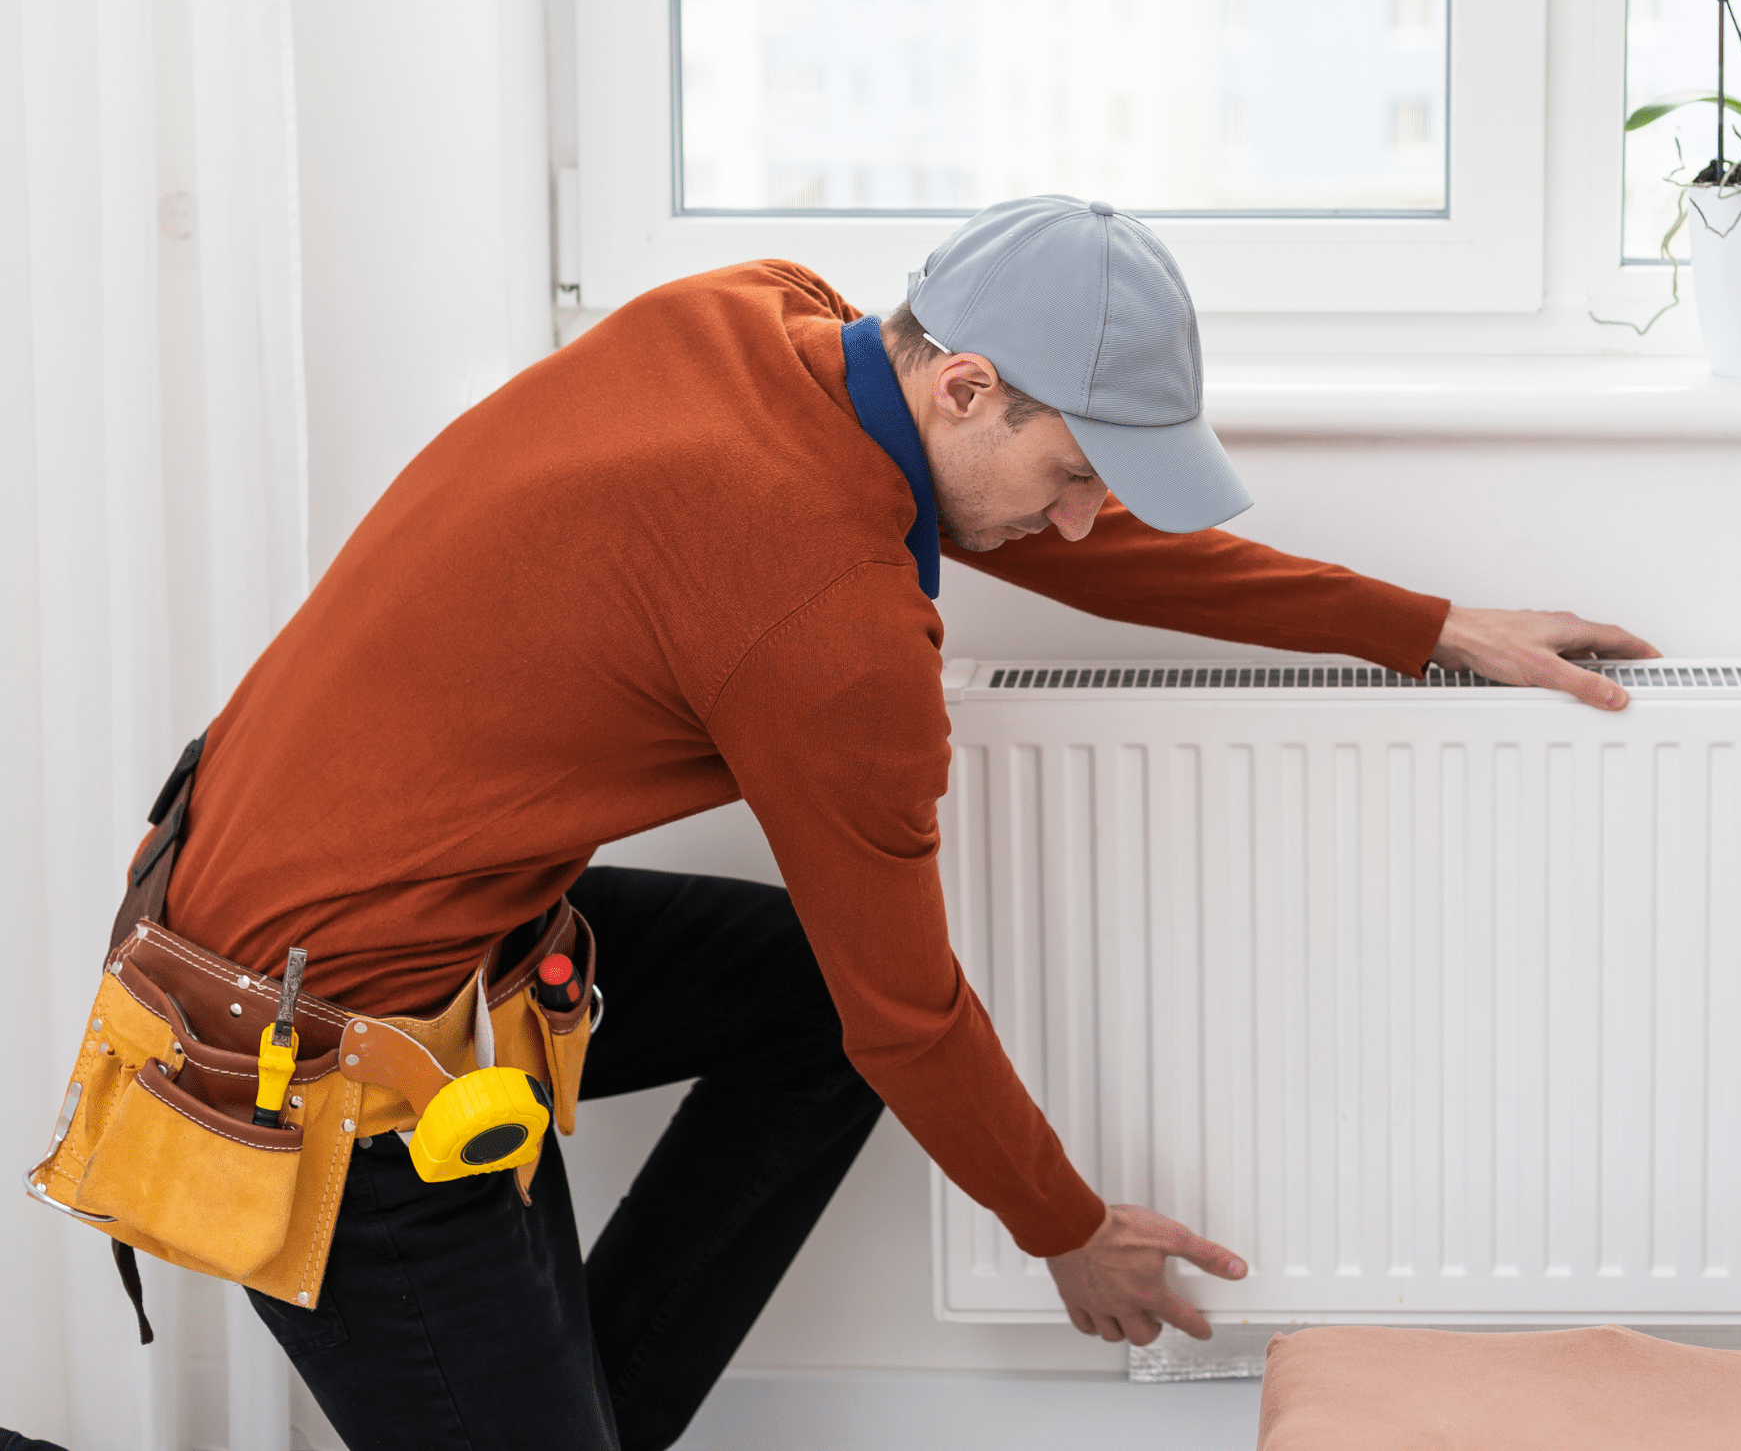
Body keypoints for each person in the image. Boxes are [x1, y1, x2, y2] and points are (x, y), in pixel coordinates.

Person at [162, 195, 1657, 1450]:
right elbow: (909, 1014)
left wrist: (1428, 625)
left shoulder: (761, 314)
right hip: (313, 1047)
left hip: (400, 922)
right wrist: (1066, 1227)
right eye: (1075, 472)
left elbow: (1086, 547)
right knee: (849, 1008)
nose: (1081, 521)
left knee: (791, 1011)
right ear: (963, 387)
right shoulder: (833, 628)